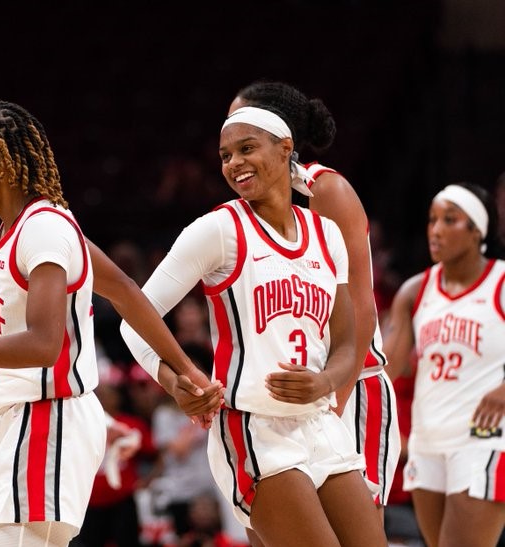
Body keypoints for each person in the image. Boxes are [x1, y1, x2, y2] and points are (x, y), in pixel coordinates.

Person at [0, 100, 222, 547]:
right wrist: (188, 370)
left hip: (48, 420)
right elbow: (125, 289)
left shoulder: (44, 228)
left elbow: (46, 344)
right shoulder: (23, 228)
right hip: (18, 420)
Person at [121, 100, 387, 546]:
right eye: (226, 156)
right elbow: (135, 319)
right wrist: (176, 380)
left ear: (286, 149)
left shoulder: (326, 235)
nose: (235, 163)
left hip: (322, 425)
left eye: (247, 149)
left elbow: (348, 343)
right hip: (253, 429)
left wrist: (325, 383)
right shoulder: (218, 230)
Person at [230, 80, 401, 526]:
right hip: (285, 401)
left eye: (241, 125)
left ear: (279, 136)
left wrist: (332, 398)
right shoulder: (246, 209)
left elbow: (362, 309)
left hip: (350, 387)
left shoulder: (327, 191)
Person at [383, 182, 505, 547]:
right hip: (427, 439)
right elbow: (387, 366)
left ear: (476, 231)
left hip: (483, 438)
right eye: (432, 219)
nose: (435, 229)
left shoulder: (500, 282)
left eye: (449, 220)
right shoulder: (414, 291)